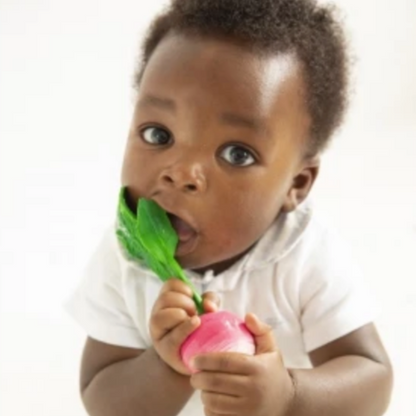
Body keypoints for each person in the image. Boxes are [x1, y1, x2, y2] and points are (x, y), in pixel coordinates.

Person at [65, 0, 393, 415]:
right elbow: (102, 397)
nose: (180, 172)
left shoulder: (304, 257)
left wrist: (289, 394)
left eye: (236, 153)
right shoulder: (127, 261)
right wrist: (167, 364)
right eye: (157, 133)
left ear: (296, 184)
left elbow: (374, 379)